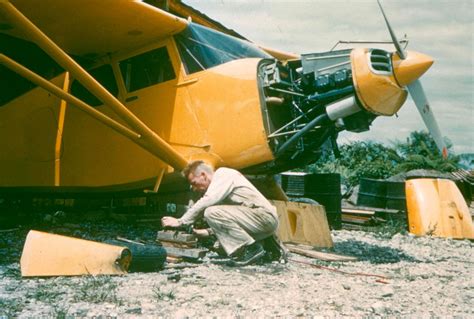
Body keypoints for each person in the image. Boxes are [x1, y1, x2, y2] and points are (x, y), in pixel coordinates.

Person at [161, 160, 280, 266]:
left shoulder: (223, 174)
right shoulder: (221, 188)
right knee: (221, 246)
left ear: (203, 175)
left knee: (211, 212)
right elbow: (232, 222)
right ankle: (269, 249)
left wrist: (181, 221)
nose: (195, 188)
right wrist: (206, 232)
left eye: (194, 183)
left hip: (264, 217)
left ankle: (250, 250)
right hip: (260, 222)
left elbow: (208, 200)